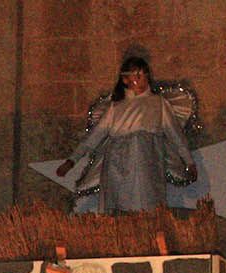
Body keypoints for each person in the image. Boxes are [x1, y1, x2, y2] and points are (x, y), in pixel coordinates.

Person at [55, 55, 196, 214]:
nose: (141, 80)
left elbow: (175, 134)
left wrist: (189, 161)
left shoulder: (158, 103)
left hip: (147, 168)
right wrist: (71, 160)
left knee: (147, 211)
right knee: (120, 213)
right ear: (125, 80)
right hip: (117, 167)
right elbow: (94, 137)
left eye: (143, 75)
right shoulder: (116, 107)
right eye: (136, 76)